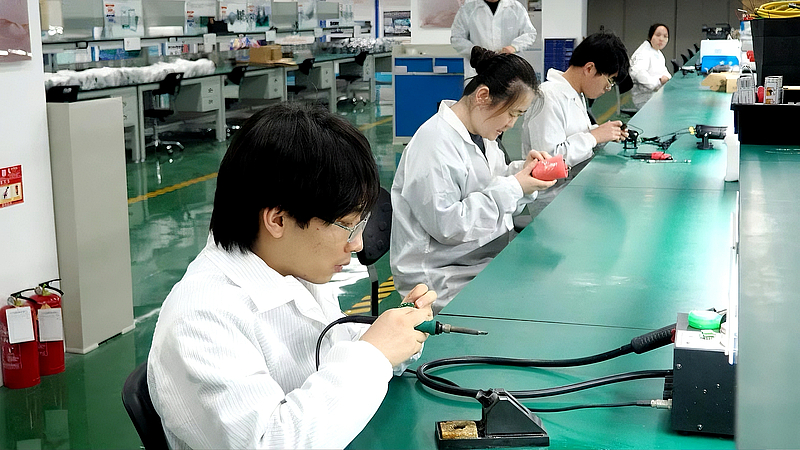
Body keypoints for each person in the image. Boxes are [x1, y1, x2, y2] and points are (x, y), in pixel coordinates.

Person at [147, 103, 436, 449]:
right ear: (278, 220)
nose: (358, 243)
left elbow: (336, 347)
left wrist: (396, 334)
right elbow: (270, 441)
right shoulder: (202, 319)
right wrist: (374, 355)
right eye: (347, 226)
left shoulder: (289, 266)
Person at [391, 47, 556, 314]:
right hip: (440, 277)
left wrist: (523, 174)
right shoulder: (434, 143)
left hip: (478, 257)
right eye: (512, 113)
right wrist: (514, 187)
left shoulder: (482, 134)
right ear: (482, 96)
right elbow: (449, 226)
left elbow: (489, 182)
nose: (512, 124)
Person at [520, 32, 630, 215]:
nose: (608, 88)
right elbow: (548, 162)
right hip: (552, 201)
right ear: (589, 68)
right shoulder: (549, 97)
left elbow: (573, 134)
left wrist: (604, 133)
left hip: (572, 188)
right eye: (609, 80)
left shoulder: (575, 93)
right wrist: (593, 137)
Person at [450, 0, 537, 79]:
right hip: (478, 70)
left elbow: (529, 33)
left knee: (509, 89)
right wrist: (473, 50)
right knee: (481, 90)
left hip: (509, 68)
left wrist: (514, 47)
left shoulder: (516, 8)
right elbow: (457, 38)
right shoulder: (468, 8)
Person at [629, 23, 672, 109]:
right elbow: (639, 73)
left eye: (665, 36)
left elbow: (665, 72)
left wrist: (666, 78)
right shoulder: (643, 52)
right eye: (658, 35)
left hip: (656, 94)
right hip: (644, 98)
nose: (661, 39)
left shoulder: (658, 53)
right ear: (650, 36)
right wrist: (659, 82)